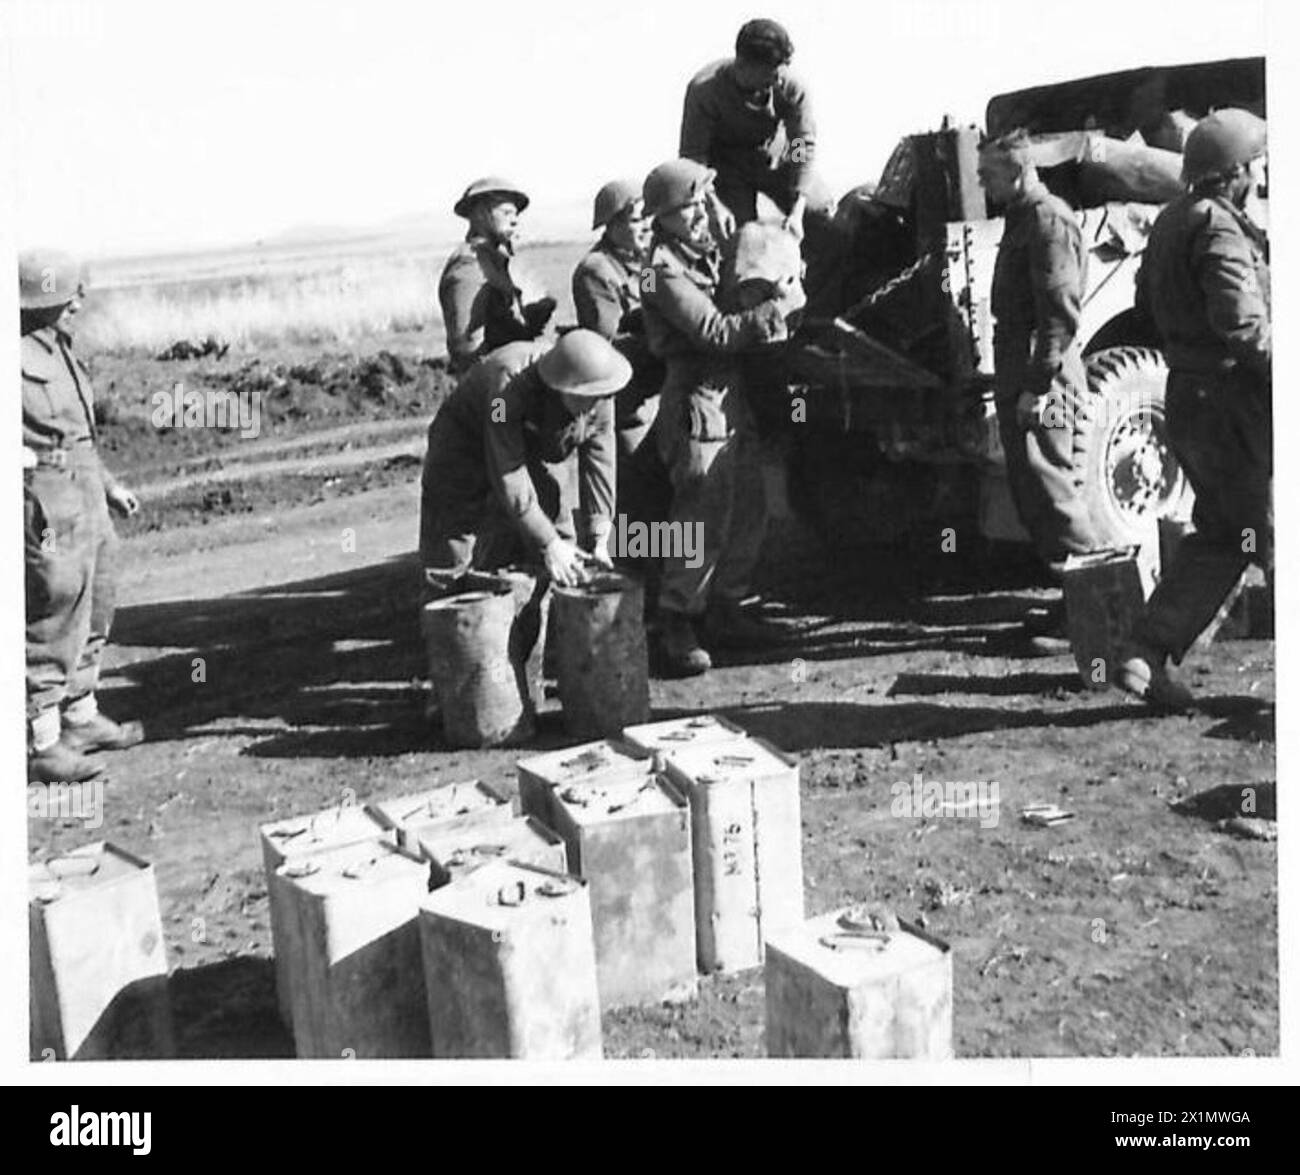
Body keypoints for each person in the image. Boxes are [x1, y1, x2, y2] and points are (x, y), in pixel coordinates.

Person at [1116, 109, 1270, 710]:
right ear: (1235, 174)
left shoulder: (1171, 221)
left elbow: (1144, 306)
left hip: (1189, 395)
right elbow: (1243, 326)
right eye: (1254, 167)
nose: (1258, 177)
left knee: (1226, 536)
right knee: (1275, 534)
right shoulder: (1221, 228)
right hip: (1236, 404)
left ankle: (1143, 654)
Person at [640, 157, 796, 676]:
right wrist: (774, 312)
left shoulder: (701, 250)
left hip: (729, 395)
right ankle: (676, 618)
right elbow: (713, 331)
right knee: (698, 516)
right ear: (663, 217)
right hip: (695, 397)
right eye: (689, 207)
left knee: (749, 504)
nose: (701, 214)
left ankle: (727, 606)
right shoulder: (658, 270)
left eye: (703, 201)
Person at [978, 130, 1106, 654]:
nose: (981, 182)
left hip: (1043, 374)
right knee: (1037, 488)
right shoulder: (1022, 215)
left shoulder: (1046, 218)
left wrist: (1037, 387)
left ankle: (1093, 611)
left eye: (988, 173)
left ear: (1018, 171)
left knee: (1054, 491)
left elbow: (1058, 314)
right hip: (1025, 366)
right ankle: (1074, 597)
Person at [21, 249, 144, 784]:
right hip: (43, 495)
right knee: (53, 608)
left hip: (84, 488)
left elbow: (80, 434)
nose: (79, 301)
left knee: (97, 599)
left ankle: (81, 717)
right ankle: (41, 741)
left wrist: (110, 486)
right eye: (69, 292)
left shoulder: (61, 350)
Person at [418, 329, 629, 595]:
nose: (593, 406)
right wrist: (548, 543)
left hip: (529, 448)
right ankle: (453, 623)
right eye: (585, 399)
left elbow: (600, 465)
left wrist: (599, 534)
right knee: (452, 546)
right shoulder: (504, 388)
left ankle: (541, 623)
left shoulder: (598, 390)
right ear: (561, 386)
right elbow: (505, 467)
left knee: (559, 541)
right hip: (463, 448)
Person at [679, 18, 840, 312]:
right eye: (770, 72)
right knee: (741, 240)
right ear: (744, 65)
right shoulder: (705, 90)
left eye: (782, 70)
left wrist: (799, 206)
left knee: (825, 214)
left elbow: (803, 144)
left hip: (778, 157)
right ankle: (740, 317)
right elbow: (694, 161)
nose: (778, 79)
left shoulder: (791, 86)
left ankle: (817, 300)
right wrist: (713, 205)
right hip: (726, 169)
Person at [571, 180, 669, 564]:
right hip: (624, 403)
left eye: (648, 216)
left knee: (663, 495)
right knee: (636, 494)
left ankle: (663, 581)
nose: (645, 225)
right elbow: (607, 343)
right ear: (610, 225)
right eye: (634, 217)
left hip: (653, 393)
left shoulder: (643, 264)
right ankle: (636, 587)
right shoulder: (596, 271)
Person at [438, 177, 557, 376]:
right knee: (500, 408)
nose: (515, 220)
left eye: (516, 213)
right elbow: (467, 350)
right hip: (490, 390)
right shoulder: (470, 267)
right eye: (507, 212)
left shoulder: (491, 261)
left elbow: (496, 327)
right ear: (481, 214)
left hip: (504, 376)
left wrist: (530, 321)